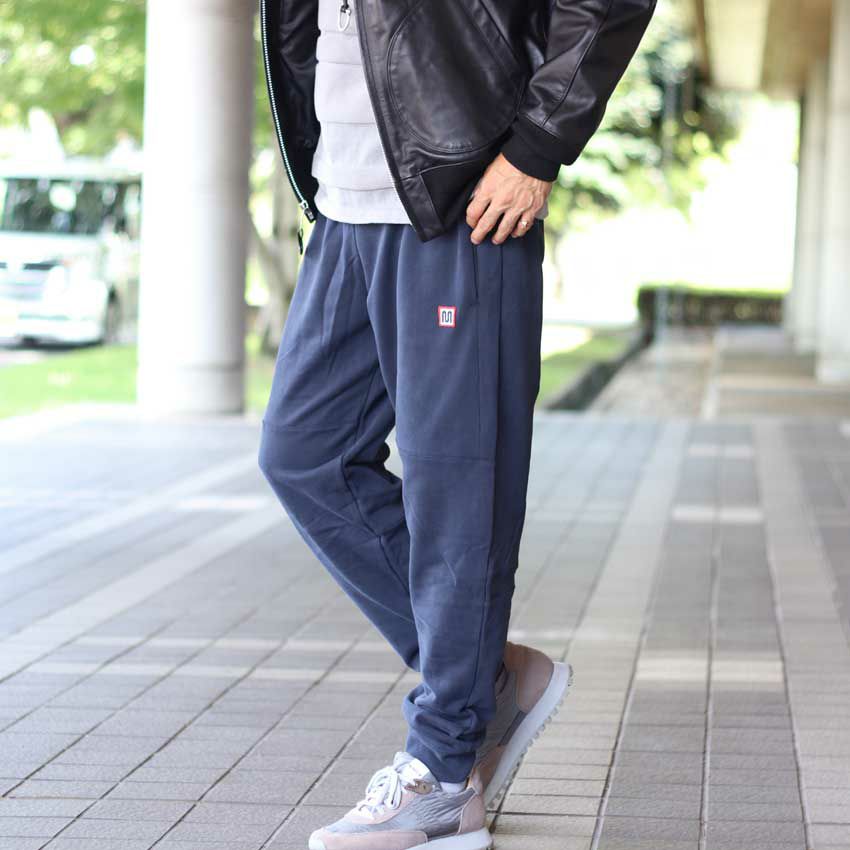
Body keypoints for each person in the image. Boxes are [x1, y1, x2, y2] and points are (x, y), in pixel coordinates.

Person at [258, 2, 655, 847]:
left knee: (456, 491)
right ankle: (489, 680)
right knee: (305, 454)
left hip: (459, 195)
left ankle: (443, 773)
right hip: (345, 200)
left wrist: (539, 145)